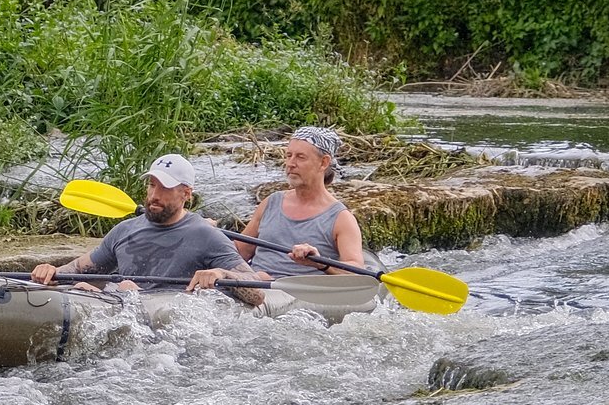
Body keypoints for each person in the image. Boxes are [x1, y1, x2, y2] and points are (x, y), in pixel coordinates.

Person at [30, 154, 265, 307]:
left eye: (165, 188)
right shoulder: (124, 230)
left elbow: (257, 293)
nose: (154, 195)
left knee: (126, 287)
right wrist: (51, 272)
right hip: (121, 305)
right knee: (84, 286)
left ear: (186, 194)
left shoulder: (207, 235)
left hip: (166, 321)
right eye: (152, 185)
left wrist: (221, 274)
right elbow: (80, 270)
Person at [236, 126, 367, 279]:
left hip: (296, 295)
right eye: (289, 155)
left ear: (323, 163)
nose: (291, 163)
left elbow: (356, 270)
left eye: (300, 157)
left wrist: (321, 263)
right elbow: (240, 251)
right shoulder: (271, 202)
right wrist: (209, 235)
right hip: (254, 284)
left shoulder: (341, 219)